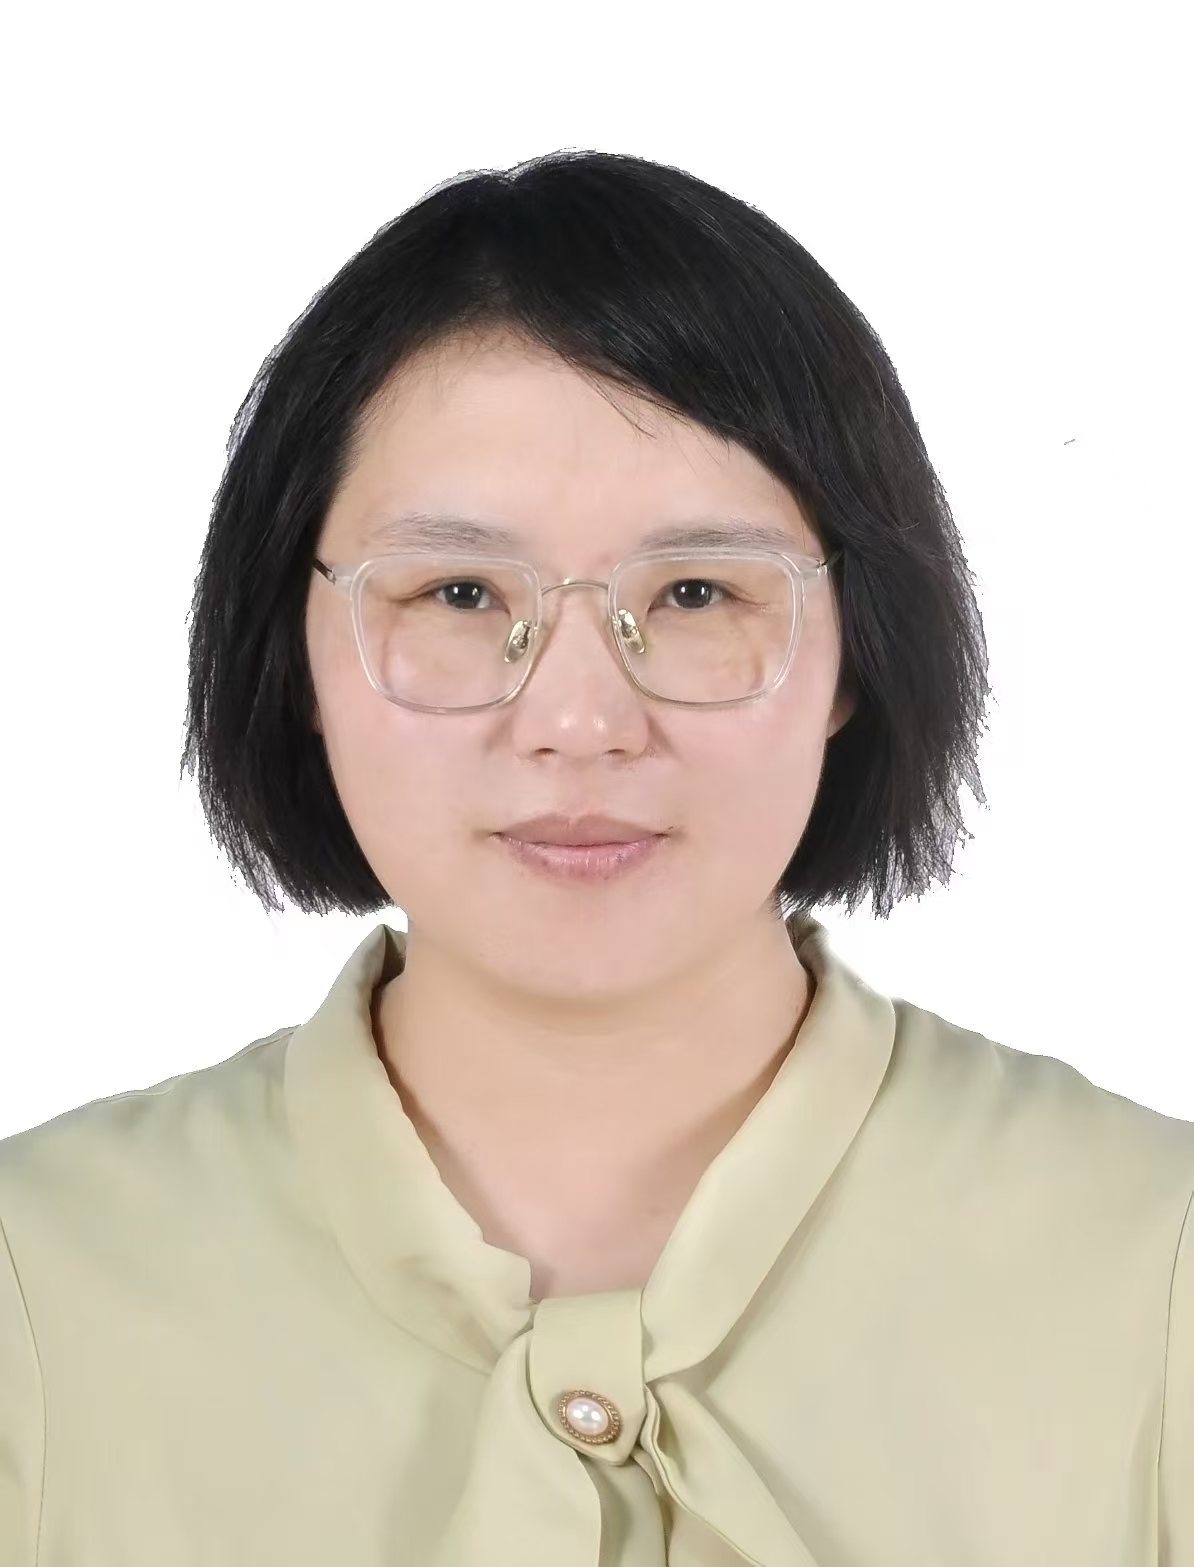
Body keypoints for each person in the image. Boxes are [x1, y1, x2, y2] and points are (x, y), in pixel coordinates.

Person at [1, 148, 1190, 1566]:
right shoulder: (36, 1279)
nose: (577, 721)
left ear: (856, 652)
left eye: (694, 593)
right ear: (293, 650)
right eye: (458, 591)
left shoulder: (1157, 1261)